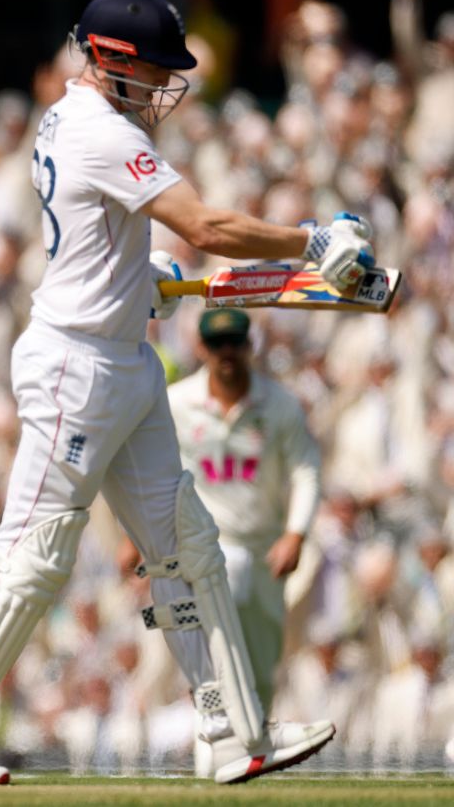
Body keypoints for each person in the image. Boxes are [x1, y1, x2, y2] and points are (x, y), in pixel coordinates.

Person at [0, 0, 371, 786]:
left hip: (125, 359)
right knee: (33, 556)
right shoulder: (97, 129)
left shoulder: (78, 120)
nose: (164, 87)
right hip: (78, 366)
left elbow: (91, 229)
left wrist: (131, 273)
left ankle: (232, 732)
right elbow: (209, 227)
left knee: (185, 545)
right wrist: (312, 239)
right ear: (110, 61)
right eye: (153, 71)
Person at [158, 308, 321, 776]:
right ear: (201, 349)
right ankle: (212, 758)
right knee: (212, 663)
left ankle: (255, 755)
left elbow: (306, 467)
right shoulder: (176, 403)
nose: (226, 354)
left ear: (249, 346)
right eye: (217, 345)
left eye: (235, 343)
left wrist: (296, 531)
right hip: (204, 549)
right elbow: (150, 472)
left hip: (266, 547)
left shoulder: (279, 404)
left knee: (260, 661)